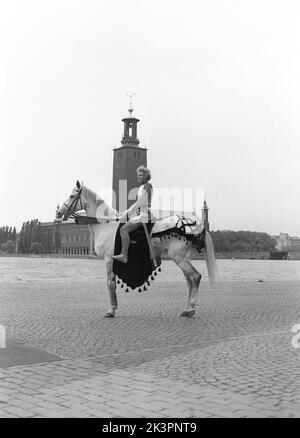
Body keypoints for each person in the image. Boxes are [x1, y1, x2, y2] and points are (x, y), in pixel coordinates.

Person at [112, 166, 153, 264]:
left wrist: (127, 213)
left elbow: (139, 203)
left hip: (144, 215)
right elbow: (137, 205)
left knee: (123, 230)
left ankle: (124, 255)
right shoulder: (141, 187)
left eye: (141, 175)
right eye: (138, 175)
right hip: (139, 214)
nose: (138, 177)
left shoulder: (147, 187)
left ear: (146, 176)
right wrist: (125, 213)